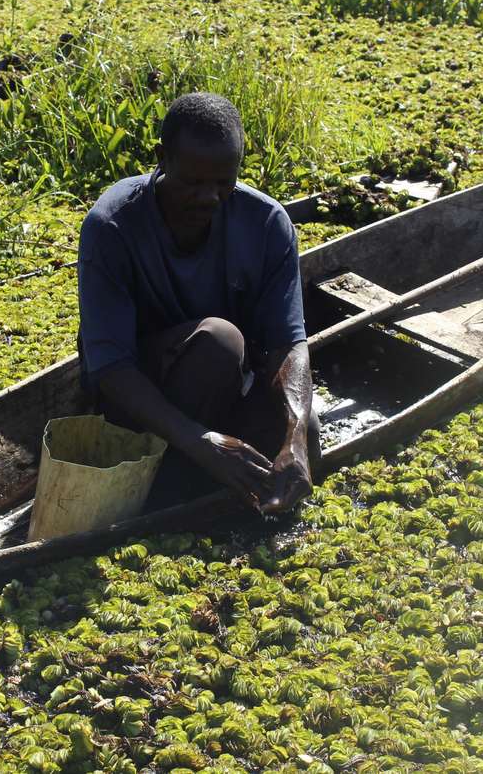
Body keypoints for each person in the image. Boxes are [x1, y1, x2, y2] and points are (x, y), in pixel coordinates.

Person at [76, 91, 318, 515]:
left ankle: (214, 479)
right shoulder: (112, 225)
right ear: (162, 159)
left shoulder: (265, 222)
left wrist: (294, 437)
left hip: (224, 395)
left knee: (309, 430)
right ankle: (173, 480)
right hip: (143, 408)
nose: (208, 198)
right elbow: (109, 367)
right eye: (192, 182)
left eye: (224, 182)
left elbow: (288, 343)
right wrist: (200, 442)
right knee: (219, 343)